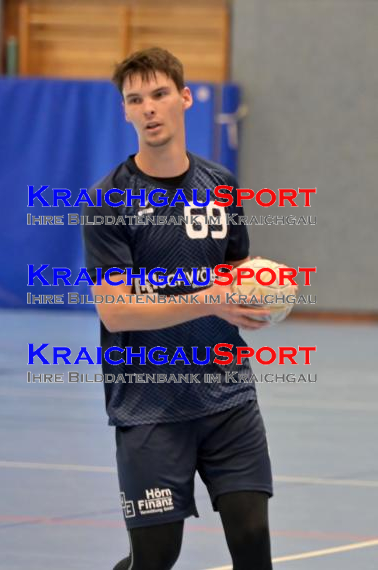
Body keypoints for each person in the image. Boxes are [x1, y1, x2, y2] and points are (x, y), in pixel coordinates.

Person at [82, 47, 273, 570]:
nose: (150, 108)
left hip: (227, 394)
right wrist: (212, 298)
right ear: (124, 111)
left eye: (160, 94)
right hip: (148, 405)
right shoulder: (108, 201)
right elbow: (117, 312)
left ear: (184, 98)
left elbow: (238, 272)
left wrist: (264, 295)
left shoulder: (221, 186)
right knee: (156, 557)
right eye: (136, 99)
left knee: (253, 537)